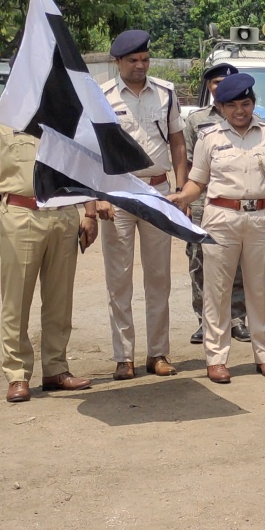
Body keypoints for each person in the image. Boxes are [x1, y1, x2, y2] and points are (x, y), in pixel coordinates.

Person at [0, 99, 98, 403]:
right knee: (17, 300)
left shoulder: (64, 111)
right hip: (21, 213)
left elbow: (82, 164)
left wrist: (89, 212)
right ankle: (17, 375)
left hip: (63, 214)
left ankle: (56, 368)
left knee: (59, 299)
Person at [171, 73, 265, 382]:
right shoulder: (210, 137)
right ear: (221, 107)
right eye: (232, 105)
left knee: (259, 290)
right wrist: (181, 197)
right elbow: (197, 182)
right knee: (217, 291)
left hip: (262, 217)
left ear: (254, 104)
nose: (240, 111)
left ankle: (264, 354)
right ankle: (216, 358)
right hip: (221, 218)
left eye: (246, 103)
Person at [100, 29, 185, 380]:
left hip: (157, 192)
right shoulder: (101, 96)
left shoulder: (165, 92)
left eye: (145, 59)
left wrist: (179, 191)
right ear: (117, 62)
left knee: (159, 278)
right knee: (118, 279)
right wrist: (98, 196)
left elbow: (178, 143)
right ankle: (123, 357)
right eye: (133, 60)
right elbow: (94, 149)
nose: (140, 65)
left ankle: (158, 353)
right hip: (119, 194)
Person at [184, 62, 246, 346]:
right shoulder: (197, 120)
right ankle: (204, 320)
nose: (221, 87)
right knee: (200, 262)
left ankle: (237, 319)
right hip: (202, 202)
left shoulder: (246, 117)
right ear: (208, 86)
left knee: (239, 264)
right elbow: (186, 163)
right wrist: (184, 198)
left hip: (237, 202)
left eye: (227, 82)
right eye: (216, 82)